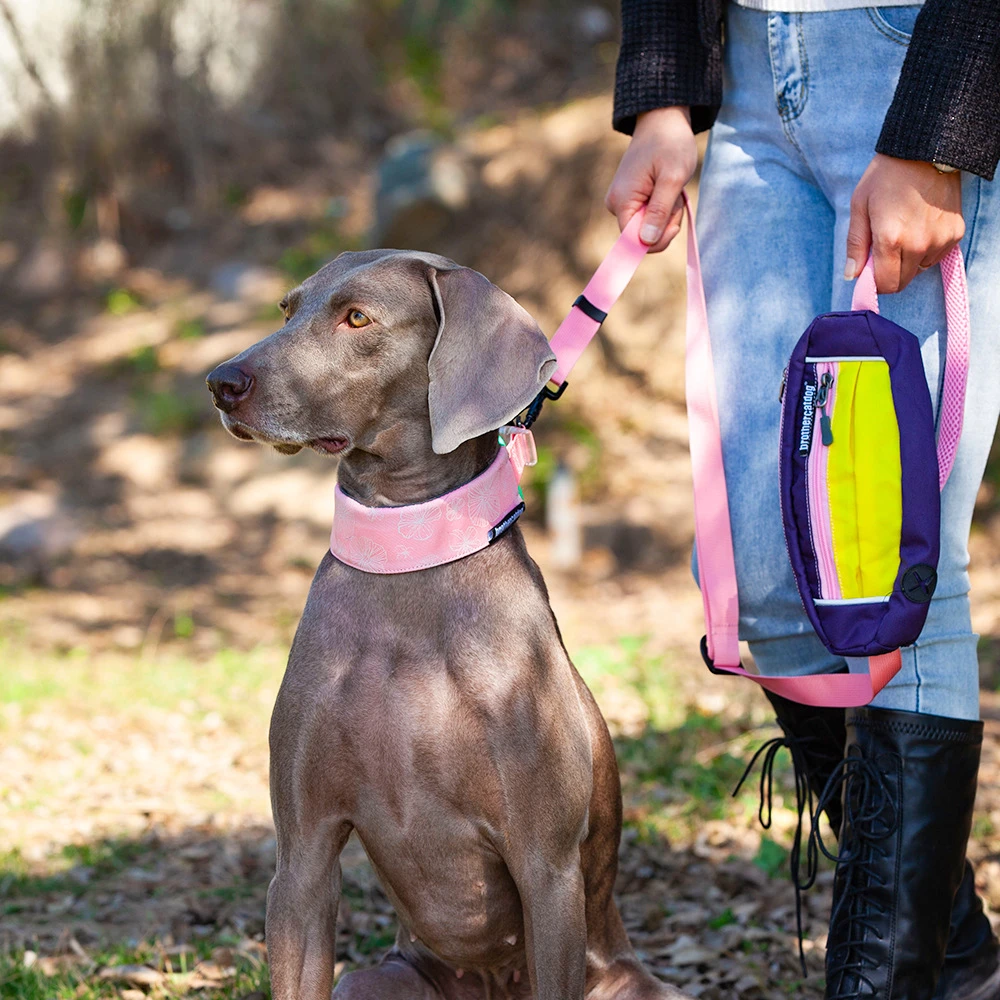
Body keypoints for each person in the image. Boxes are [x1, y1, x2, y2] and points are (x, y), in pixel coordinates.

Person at [605, 1, 1000, 998]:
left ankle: (887, 979)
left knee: (888, 561)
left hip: (909, 51)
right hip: (745, 81)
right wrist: (662, 96)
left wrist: (938, 127)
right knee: (761, 578)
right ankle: (953, 955)